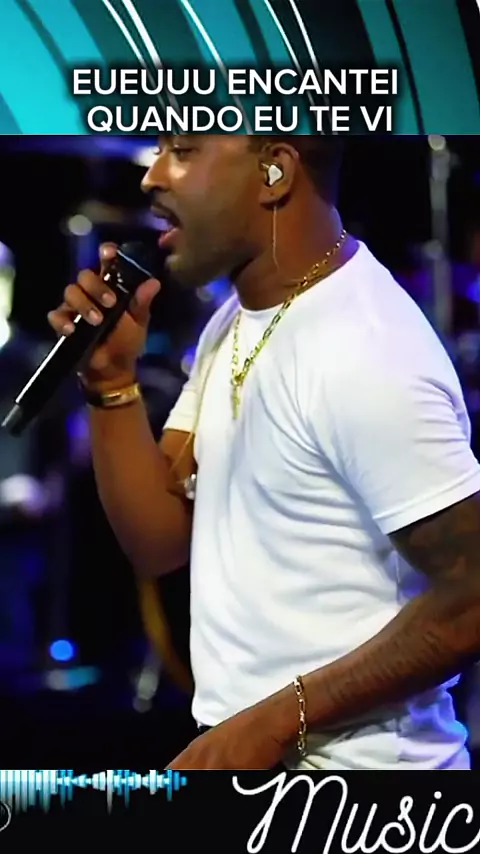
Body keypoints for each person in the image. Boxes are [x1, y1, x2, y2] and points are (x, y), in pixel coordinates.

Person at [47, 135, 480, 771]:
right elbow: (159, 540)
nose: (151, 176)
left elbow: (471, 596)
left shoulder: (366, 350)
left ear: (275, 170)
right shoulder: (238, 318)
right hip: (261, 769)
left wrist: (273, 723)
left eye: (183, 151)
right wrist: (110, 382)